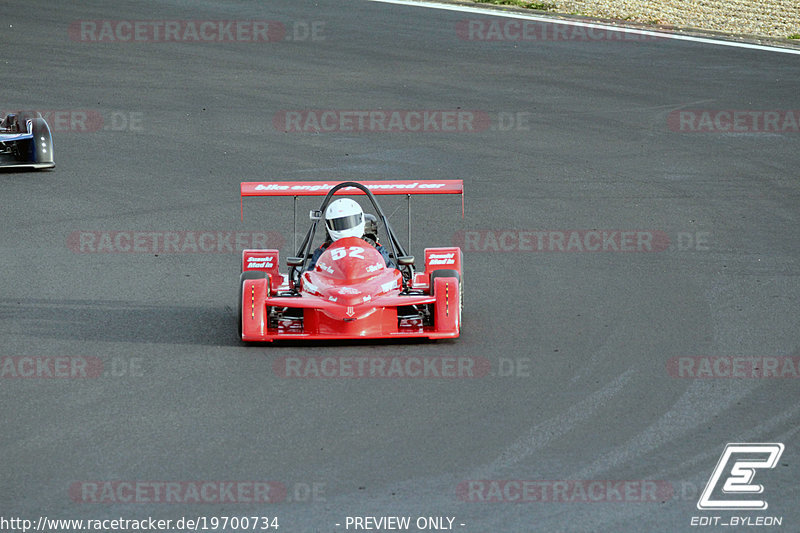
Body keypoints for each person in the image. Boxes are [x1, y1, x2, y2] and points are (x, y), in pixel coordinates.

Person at [308, 198, 395, 270]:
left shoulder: (375, 249)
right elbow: (311, 276)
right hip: (334, 284)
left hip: (369, 283)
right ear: (328, 225)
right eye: (338, 224)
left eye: (349, 222)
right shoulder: (323, 252)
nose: (344, 229)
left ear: (361, 219)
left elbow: (390, 273)